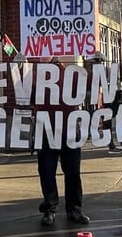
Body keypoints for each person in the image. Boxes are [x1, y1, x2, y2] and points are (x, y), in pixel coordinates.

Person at [34, 56, 90, 226]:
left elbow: (86, 89)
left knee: (72, 171)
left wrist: (94, 66)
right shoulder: (35, 75)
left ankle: (74, 209)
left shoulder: (69, 73)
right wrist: (19, 69)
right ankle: (50, 209)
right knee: (47, 171)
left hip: (68, 129)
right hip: (45, 129)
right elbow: (25, 95)